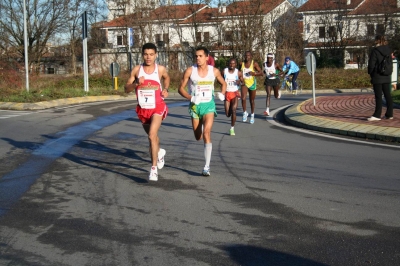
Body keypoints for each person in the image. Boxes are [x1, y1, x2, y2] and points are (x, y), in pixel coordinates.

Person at [124, 42, 170, 181]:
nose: (148, 57)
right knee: (153, 138)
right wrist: (136, 83)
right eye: (146, 54)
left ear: (156, 55)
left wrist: (166, 89)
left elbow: (167, 78)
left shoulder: (160, 69)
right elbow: (126, 89)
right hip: (143, 109)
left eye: (151, 54)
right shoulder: (137, 70)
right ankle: (160, 153)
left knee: (151, 135)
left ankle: (153, 169)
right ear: (142, 55)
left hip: (158, 107)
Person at [178, 47, 227, 176]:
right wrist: (191, 97)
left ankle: (207, 166)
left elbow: (224, 83)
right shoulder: (190, 71)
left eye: (200, 56)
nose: (198, 58)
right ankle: (200, 125)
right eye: (196, 56)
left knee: (206, 133)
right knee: (198, 136)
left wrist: (222, 93)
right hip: (195, 106)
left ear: (207, 57)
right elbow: (180, 88)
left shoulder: (214, 71)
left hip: (208, 105)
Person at [367, 35, 394, 121]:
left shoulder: (375, 51)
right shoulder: (389, 50)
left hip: (377, 75)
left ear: (377, 41)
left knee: (378, 96)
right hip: (386, 75)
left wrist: (371, 73)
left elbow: (371, 64)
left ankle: (377, 115)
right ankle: (389, 114)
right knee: (388, 95)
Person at [240, 51, 263, 124]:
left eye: (248, 55)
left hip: (252, 83)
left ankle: (252, 115)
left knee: (251, 100)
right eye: (246, 55)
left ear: (251, 56)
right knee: (243, 98)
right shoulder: (241, 63)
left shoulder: (254, 64)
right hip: (244, 83)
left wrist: (253, 73)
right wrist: (239, 78)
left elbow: (261, 73)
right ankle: (244, 113)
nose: (247, 57)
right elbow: (238, 72)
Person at [223, 58, 244, 135]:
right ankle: (230, 112)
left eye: (233, 63)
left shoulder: (238, 73)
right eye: (230, 63)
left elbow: (243, 82)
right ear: (228, 64)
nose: (232, 65)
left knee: (234, 110)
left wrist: (239, 82)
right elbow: (220, 80)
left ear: (236, 64)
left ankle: (232, 128)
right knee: (228, 114)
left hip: (234, 93)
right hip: (227, 93)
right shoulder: (224, 71)